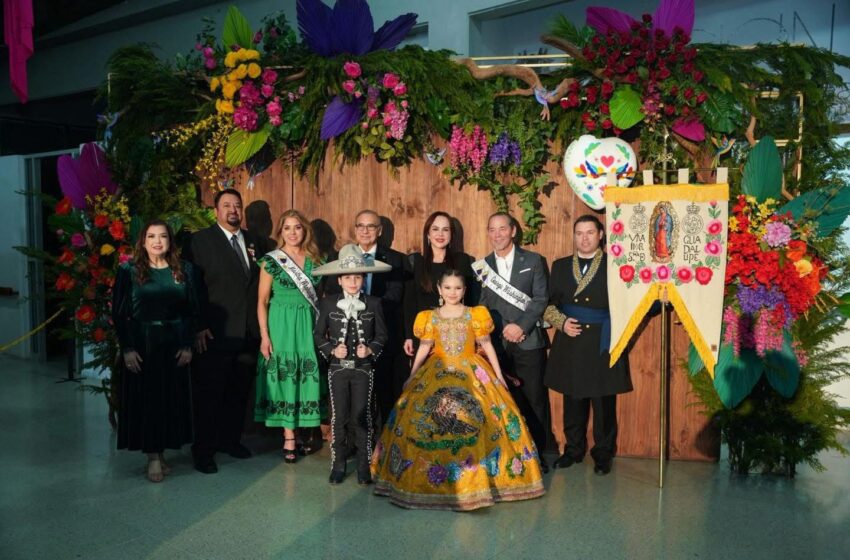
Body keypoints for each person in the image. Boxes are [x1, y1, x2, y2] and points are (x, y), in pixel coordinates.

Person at [371, 270, 545, 510]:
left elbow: (487, 345)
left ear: (464, 291)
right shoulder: (429, 317)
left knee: (477, 419)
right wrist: (412, 375)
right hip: (436, 369)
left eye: (458, 288)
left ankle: (479, 480)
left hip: (472, 371)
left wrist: (497, 375)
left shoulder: (476, 315)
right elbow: (424, 347)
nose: (453, 292)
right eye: (448, 288)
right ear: (440, 290)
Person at [184, 188, 272, 474]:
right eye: (227, 205)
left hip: (247, 332)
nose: (233, 210)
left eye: (237, 205)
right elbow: (191, 288)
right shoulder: (199, 241)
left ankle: (230, 441)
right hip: (214, 332)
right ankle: (204, 451)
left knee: (238, 392)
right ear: (216, 211)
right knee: (209, 394)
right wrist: (198, 325)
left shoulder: (256, 242)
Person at [543, 215, 631, 475]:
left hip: (603, 337)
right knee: (572, 398)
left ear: (601, 234)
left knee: (603, 401)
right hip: (571, 338)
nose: (584, 238)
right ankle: (573, 450)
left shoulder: (616, 266)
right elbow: (547, 305)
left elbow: (630, 303)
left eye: (590, 233)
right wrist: (561, 322)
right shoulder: (559, 266)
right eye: (579, 233)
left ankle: (603, 454)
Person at [112, 220, 197, 482]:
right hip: (143, 343)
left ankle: (162, 452)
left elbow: (192, 310)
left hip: (173, 344)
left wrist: (187, 344)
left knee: (168, 400)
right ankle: (152, 457)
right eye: (151, 236)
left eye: (162, 236)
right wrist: (126, 348)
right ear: (143, 241)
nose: (157, 241)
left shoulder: (184, 270)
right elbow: (119, 313)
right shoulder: (128, 271)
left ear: (170, 241)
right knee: (147, 402)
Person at [474, 212, 550, 473]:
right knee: (501, 399)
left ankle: (538, 455)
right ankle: (508, 454)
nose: (497, 234)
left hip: (528, 340)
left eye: (502, 229)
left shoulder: (534, 261)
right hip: (497, 344)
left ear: (513, 231)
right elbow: (482, 305)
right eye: (492, 230)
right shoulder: (482, 266)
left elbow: (540, 299)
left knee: (534, 398)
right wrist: (500, 328)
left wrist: (521, 326)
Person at [313, 244, 389, 484]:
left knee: (363, 416)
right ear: (339, 280)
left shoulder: (374, 303)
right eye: (348, 277)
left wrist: (370, 350)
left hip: (363, 370)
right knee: (339, 418)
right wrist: (332, 349)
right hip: (337, 369)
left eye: (358, 277)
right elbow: (317, 335)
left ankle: (365, 467)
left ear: (363, 278)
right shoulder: (328, 303)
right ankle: (338, 464)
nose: (353, 282)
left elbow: (382, 336)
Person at [255, 210, 326, 463]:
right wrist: (264, 335)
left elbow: (323, 299)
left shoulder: (317, 260)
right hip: (280, 323)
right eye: (287, 228)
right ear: (280, 231)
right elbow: (262, 301)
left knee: (306, 375)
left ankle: (307, 428)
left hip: (307, 322)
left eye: (297, 227)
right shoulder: (271, 261)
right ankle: (288, 436)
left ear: (305, 230)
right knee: (285, 376)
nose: (293, 232)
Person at [327, 209, 406, 426]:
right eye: (360, 226)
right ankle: (353, 442)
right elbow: (332, 295)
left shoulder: (395, 259)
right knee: (350, 394)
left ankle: (383, 442)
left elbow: (395, 294)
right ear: (355, 229)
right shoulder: (338, 259)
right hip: (346, 336)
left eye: (371, 226)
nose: (365, 231)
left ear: (379, 231)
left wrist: (367, 312)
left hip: (381, 333)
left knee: (383, 389)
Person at [402, 211, 477, 358]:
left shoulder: (462, 261)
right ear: (428, 234)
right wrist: (409, 336)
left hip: (456, 333)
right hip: (424, 335)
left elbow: (471, 299)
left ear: (451, 235)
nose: (440, 234)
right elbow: (409, 303)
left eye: (445, 229)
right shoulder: (415, 262)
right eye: (435, 229)